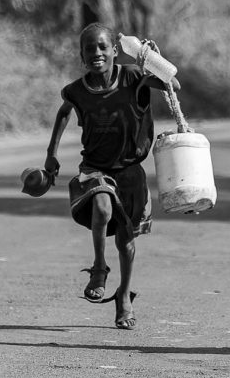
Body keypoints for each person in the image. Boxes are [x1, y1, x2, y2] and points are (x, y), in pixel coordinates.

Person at [43, 23, 177, 330]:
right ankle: (100, 268)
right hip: (95, 168)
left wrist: (149, 60)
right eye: (89, 49)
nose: (96, 53)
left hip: (130, 170)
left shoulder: (131, 77)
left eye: (103, 47)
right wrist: (51, 153)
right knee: (102, 208)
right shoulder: (77, 90)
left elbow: (173, 85)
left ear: (115, 51)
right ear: (82, 55)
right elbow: (65, 111)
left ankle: (123, 297)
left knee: (126, 241)